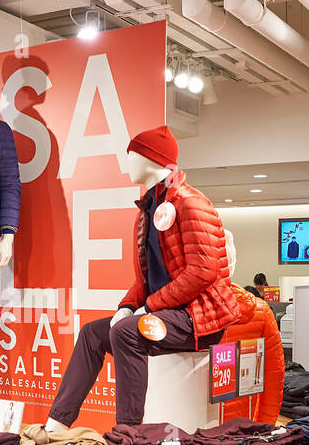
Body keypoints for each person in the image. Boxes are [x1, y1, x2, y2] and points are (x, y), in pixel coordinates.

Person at [46, 125, 241, 428]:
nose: (127, 163)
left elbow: (203, 272)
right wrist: (128, 305)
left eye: (132, 155)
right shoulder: (150, 208)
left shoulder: (189, 202)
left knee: (126, 333)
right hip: (168, 315)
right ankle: (55, 425)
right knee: (91, 334)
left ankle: (129, 434)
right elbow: (148, 277)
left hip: (198, 319)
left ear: (152, 160)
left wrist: (148, 307)